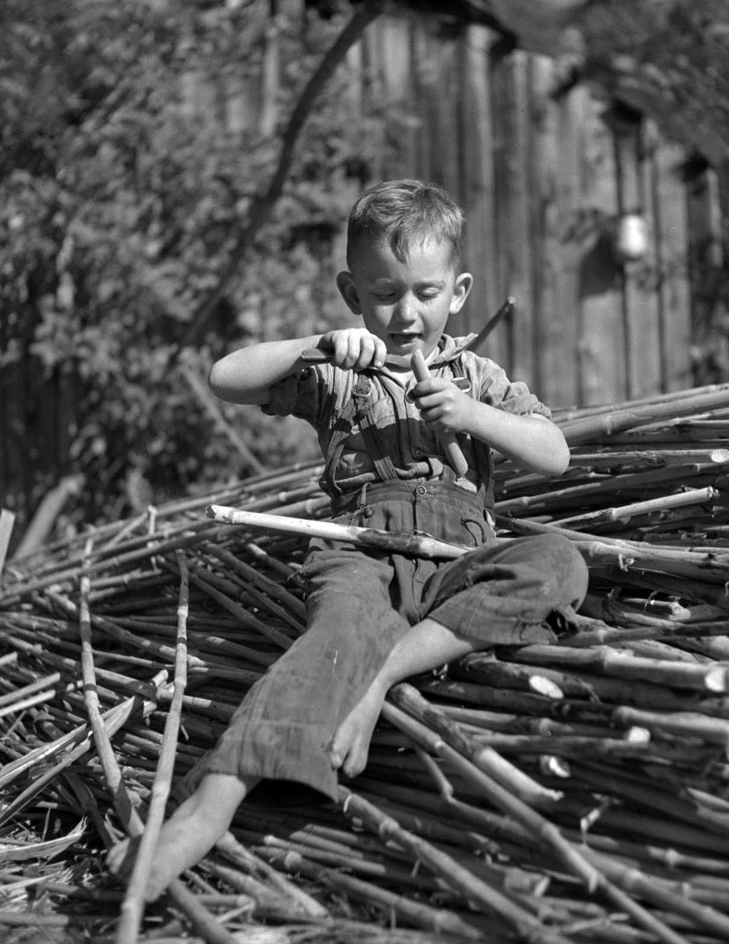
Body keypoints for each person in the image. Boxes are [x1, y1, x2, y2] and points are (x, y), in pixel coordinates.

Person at [108, 179, 588, 899]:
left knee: (557, 563)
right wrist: (316, 344)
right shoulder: (341, 372)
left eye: (425, 292)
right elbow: (224, 377)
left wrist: (470, 415)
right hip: (361, 547)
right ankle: (209, 808)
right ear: (351, 292)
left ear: (457, 293)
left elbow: (554, 452)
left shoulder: (478, 377)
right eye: (384, 292)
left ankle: (385, 670)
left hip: (460, 557)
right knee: (338, 632)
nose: (405, 312)